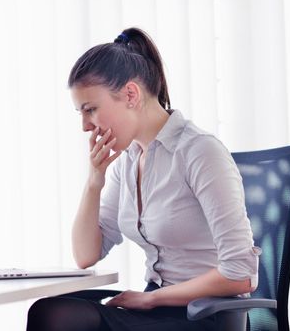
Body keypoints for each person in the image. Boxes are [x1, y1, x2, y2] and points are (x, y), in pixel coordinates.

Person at [26, 27, 261, 331]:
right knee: (51, 311)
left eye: (91, 110)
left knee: (57, 318)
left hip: (204, 317)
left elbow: (240, 273)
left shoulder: (199, 151)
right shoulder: (129, 160)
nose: (86, 126)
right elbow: (86, 255)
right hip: (156, 310)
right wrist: (94, 180)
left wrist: (153, 299)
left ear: (131, 94)